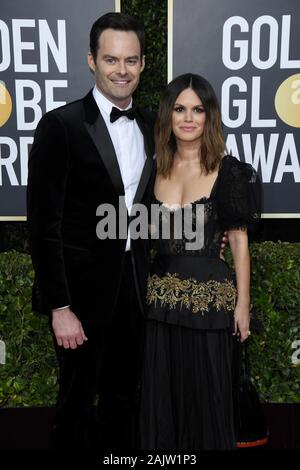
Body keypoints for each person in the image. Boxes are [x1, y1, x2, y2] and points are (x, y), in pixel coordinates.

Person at [27, 12, 156, 451]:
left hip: (135, 292)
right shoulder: (60, 126)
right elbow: (43, 228)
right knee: (76, 404)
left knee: (126, 401)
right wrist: (59, 307)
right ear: (91, 61)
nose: (122, 71)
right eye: (111, 60)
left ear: (143, 64)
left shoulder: (152, 126)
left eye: (131, 61)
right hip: (79, 300)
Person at [139, 73, 261, 450]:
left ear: (209, 117)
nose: (188, 118)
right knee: (163, 402)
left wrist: (243, 305)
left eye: (198, 109)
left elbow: (239, 241)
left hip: (211, 305)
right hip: (159, 305)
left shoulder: (228, 171)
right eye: (179, 109)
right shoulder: (151, 168)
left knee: (208, 401)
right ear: (168, 114)